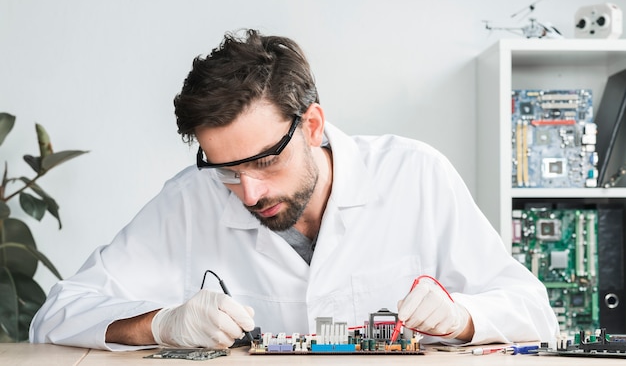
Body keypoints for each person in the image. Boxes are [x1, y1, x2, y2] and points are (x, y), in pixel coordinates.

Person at [30, 29, 559, 350]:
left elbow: (536, 311)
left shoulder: (415, 175)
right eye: (227, 170)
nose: (249, 192)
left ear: (312, 126)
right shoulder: (191, 199)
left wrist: (465, 317)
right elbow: (55, 316)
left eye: (265, 160)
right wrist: (161, 324)